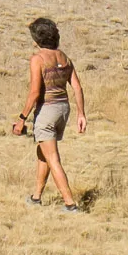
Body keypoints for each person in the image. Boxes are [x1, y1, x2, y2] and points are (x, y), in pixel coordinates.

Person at [13, 16, 86, 209]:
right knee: (43, 151)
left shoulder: (38, 59)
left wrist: (22, 119)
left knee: (53, 158)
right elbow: (77, 88)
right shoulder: (65, 57)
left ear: (36, 40)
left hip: (47, 111)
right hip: (63, 110)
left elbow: (35, 92)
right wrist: (81, 114)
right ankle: (36, 197)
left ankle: (70, 204)